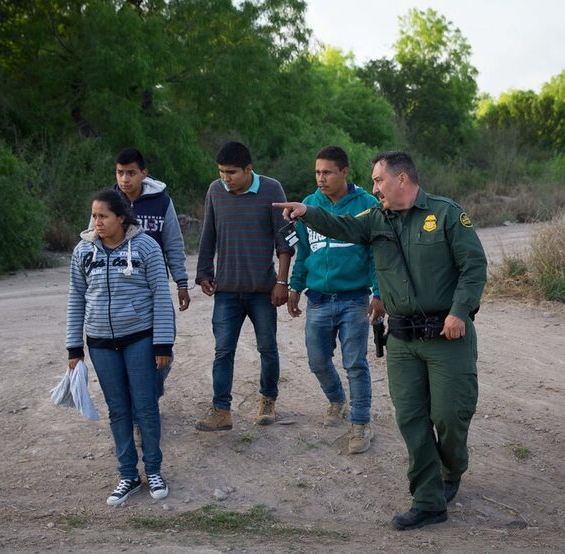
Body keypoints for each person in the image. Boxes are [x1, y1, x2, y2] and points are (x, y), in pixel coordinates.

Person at [274, 151, 487, 530]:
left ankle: (451, 468)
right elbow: (341, 226)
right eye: (373, 182)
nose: (374, 189)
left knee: (449, 416)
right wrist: (307, 213)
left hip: (446, 334)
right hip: (403, 338)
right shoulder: (376, 218)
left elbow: (474, 267)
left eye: (378, 181)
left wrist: (459, 311)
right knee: (410, 417)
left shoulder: (447, 214)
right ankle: (428, 500)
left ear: (402, 179)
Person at [67, 189, 176, 506]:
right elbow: (76, 299)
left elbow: (160, 298)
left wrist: (163, 343)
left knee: (145, 407)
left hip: (140, 340)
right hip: (100, 343)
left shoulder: (146, 248)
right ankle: (127, 475)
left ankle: (153, 471)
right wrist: (74, 348)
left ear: (121, 217)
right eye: (94, 216)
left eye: (103, 216)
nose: (96, 222)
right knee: (118, 410)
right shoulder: (83, 252)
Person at [286, 145, 384, 454]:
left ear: (344, 172)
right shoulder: (308, 205)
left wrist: (379, 294)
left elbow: (376, 255)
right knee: (317, 360)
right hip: (317, 298)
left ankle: (360, 425)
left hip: (353, 298)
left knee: (355, 363)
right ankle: (336, 400)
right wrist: (294, 287)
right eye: (317, 172)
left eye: (327, 172)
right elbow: (303, 252)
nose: (321, 178)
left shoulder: (367, 204)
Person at [195, 141, 294, 431]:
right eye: (221, 172)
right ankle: (221, 410)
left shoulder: (272, 190)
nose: (225, 178)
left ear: (249, 169)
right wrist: (203, 272)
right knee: (223, 350)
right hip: (226, 289)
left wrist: (281, 282)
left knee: (267, 348)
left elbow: (284, 241)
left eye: (232, 172)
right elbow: (208, 234)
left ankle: (268, 401)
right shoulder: (215, 191)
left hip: (263, 289)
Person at [109, 147, 190, 447]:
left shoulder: (160, 201)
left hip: (154, 291)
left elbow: (173, 242)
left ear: (144, 173)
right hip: (117, 293)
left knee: (162, 355)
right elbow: (93, 239)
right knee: (124, 352)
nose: (125, 179)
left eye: (131, 172)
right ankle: (137, 413)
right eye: (120, 173)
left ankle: (150, 396)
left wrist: (181, 281)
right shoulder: (109, 202)